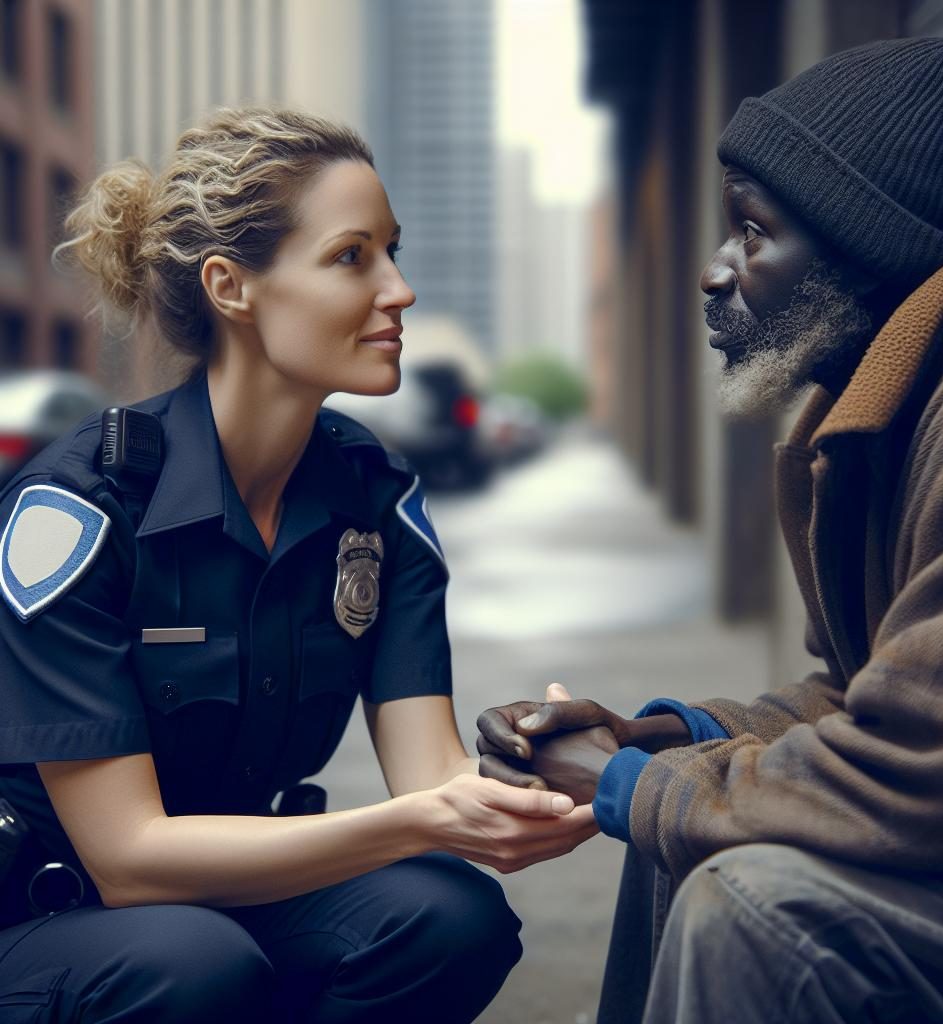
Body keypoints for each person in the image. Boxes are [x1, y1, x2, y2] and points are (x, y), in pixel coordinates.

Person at [0, 108, 596, 1023]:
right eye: (353, 256)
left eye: (393, 252)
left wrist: (537, 784)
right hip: (55, 914)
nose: (398, 290)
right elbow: (127, 859)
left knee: (453, 916)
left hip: (230, 903)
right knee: (196, 962)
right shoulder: (77, 511)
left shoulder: (374, 495)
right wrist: (420, 824)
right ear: (232, 287)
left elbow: (429, 778)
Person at [477, 35, 943, 1024]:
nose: (713, 272)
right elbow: (858, 695)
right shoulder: (885, 413)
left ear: (868, 243)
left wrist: (628, 783)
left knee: (741, 902)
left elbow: (934, 767)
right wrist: (663, 735)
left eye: (750, 231)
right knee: (686, 828)